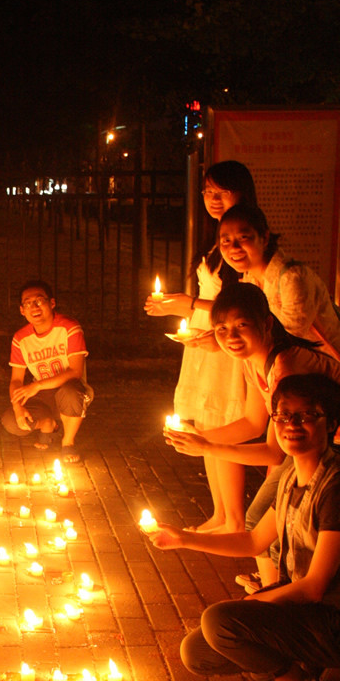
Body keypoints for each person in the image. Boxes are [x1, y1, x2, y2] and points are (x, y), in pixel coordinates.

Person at [149, 373, 340, 681]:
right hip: (307, 610)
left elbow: (315, 586)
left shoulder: (335, 486)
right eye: (283, 416)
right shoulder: (290, 476)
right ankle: (302, 658)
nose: (291, 426)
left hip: (330, 614)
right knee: (198, 651)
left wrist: (256, 608)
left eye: (306, 415)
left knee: (222, 622)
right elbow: (254, 541)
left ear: (331, 422)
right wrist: (185, 539)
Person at [165, 284, 340, 589]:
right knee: (263, 527)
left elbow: (275, 451)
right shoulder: (252, 360)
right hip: (316, 443)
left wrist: (209, 445)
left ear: (267, 323)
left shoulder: (286, 365)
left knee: (259, 520)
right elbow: (251, 423)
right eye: (222, 328)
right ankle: (276, 590)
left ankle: (278, 597)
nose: (231, 337)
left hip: (328, 444)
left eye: (241, 325)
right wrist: (197, 437)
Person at [145, 161, 255, 531]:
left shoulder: (246, 242)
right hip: (207, 341)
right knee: (206, 422)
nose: (212, 199)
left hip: (230, 343)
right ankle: (220, 515)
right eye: (207, 192)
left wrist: (188, 304)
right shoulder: (216, 240)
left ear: (242, 193)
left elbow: (246, 301)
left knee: (224, 421)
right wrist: (179, 307)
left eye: (220, 192)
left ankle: (234, 520)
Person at [217, 203, 340, 360]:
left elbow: (289, 340)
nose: (234, 247)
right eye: (226, 241)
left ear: (265, 238)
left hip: (324, 371)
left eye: (243, 238)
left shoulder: (292, 278)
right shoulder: (250, 278)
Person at [2, 279, 93, 462]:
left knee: (71, 392)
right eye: (27, 303)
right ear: (22, 310)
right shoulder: (21, 339)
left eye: (39, 301)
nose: (34, 307)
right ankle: (47, 424)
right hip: (42, 395)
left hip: (70, 390)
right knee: (11, 422)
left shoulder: (69, 328)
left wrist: (36, 386)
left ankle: (68, 442)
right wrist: (17, 406)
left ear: (52, 303)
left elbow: (75, 371)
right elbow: (16, 381)